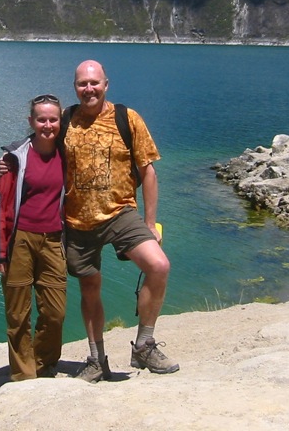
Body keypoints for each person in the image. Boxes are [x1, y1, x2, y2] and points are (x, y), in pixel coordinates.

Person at [61, 60, 178, 382]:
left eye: (94, 83)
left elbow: (148, 172)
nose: (89, 89)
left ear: (106, 84)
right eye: (82, 83)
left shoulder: (128, 119)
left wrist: (151, 224)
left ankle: (144, 345)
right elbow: (39, 149)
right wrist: (9, 159)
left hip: (121, 212)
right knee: (90, 289)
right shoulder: (65, 121)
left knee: (158, 265)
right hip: (77, 220)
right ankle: (97, 359)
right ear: (75, 87)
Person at [0, 94, 67, 381]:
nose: (47, 125)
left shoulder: (68, 153)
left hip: (54, 240)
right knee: (18, 315)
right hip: (19, 240)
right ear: (31, 121)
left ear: (61, 121)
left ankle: (44, 365)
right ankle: (24, 375)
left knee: (55, 312)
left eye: (53, 119)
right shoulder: (15, 158)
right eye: (41, 119)